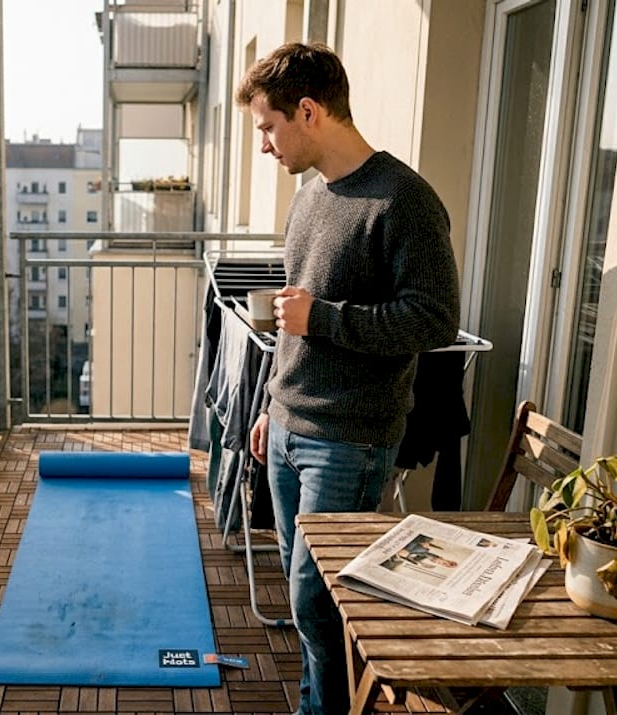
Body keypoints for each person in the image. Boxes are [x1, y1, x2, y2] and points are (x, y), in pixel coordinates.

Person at [238, 42, 460, 715]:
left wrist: (325, 318)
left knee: (322, 600)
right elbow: (291, 321)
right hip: (287, 428)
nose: (265, 146)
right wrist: (270, 404)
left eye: (268, 127)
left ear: (308, 111)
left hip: (350, 440)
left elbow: (435, 320)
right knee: (304, 598)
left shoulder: (405, 200)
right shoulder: (308, 201)